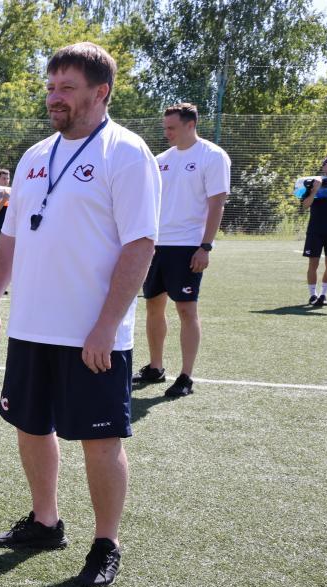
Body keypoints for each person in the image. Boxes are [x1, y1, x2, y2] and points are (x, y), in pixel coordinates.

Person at [0, 42, 161, 587]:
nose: (54, 97)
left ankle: (107, 541)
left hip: (93, 332)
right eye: (51, 87)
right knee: (30, 426)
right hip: (32, 324)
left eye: (67, 88)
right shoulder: (35, 156)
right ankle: (45, 521)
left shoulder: (126, 154)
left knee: (100, 440)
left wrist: (107, 324)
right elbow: (9, 241)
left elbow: (140, 246)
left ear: (100, 92)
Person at [133, 103, 230, 398]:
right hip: (156, 245)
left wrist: (205, 247)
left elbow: (217, 204)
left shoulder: (212, 156)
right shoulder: (160, 159)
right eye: (165, 127)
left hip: (188, 246)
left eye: (171, 128)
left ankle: (186, 376)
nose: (166, 133)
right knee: (153, 306)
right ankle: (156, 366)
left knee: (187, 309)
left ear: (191, 124)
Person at [301, 155, 327, 308]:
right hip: (315, 230)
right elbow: (305, 206)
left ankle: (323, 295)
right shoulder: (312, 183)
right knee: (313, 263)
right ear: (324, 167)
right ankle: (313, 295)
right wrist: (314, 191)